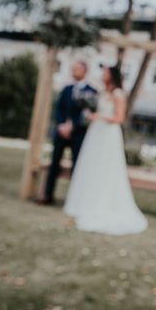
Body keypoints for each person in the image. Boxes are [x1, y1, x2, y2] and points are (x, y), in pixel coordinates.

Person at [64, 66, 147, 236]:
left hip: (108, 134)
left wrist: (99, 117)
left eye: (106, 72)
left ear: (113, 76)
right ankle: (84, 203)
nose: (103, 74)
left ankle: (101, 205)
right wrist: (90, 114)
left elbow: (119, 118)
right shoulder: (102, 92)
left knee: (105, 168)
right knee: (91, 167)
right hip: (95, 132)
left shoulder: (118, 94)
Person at [40, 61, 97, 204]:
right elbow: (58, 109)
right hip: (61, 132)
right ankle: (48, 195)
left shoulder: (91, 91)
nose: (73, 71)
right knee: (54, 163)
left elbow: (89, 114)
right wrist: (61, 125)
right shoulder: (66, 89)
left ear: (85, 71)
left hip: (78, 134)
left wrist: (74, 126)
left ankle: (73, 199)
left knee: (77, 165)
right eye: (73, 69)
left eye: (76, 69)